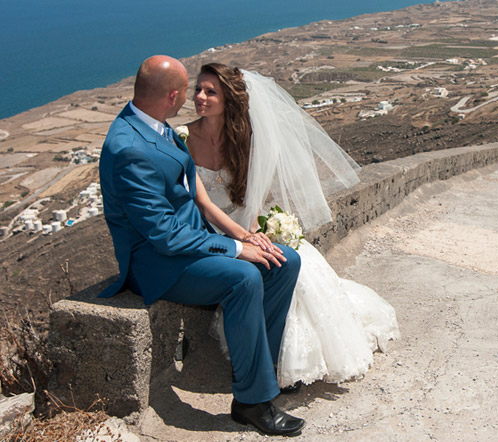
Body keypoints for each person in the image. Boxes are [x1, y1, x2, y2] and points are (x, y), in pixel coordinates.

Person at [98, 55, 305, 437]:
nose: (194, 99)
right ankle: (252, 403)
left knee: (285, 260)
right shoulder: (130, 148)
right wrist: (234, 248)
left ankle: (259, 369)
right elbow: (163, 235)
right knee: (244, 277)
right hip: (158, 263)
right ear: (173, 95)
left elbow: (195, 202)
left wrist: (240, 237)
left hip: (190, 245)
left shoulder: (154, 126)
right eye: (190, 90)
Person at [185, 62, 400, 388]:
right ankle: (265, 360)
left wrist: (258, 230)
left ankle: (285, 359)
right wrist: (242, 237)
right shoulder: (183, 138)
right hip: (212, 230)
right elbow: (203, 203)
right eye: (198, 89)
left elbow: (254, 196)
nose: (199, 97)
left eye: (210, 91)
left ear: (229, 98)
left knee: (296, 267)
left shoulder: (246, 140)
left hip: (245, 225)